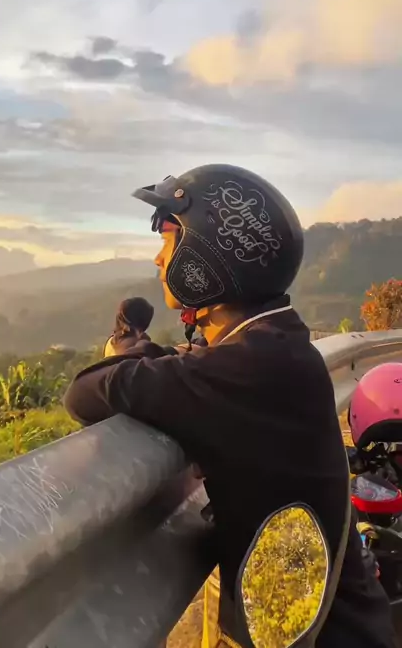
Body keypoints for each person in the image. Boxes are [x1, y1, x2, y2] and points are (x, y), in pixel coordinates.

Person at [64, 163, 396, 648]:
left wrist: (130, 353)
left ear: (207, 255)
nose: (158, 258)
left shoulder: (249, 368)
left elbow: (84, 393)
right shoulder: (276, 346)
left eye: (168, 239)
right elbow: (198, 373)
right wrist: (159, 356)